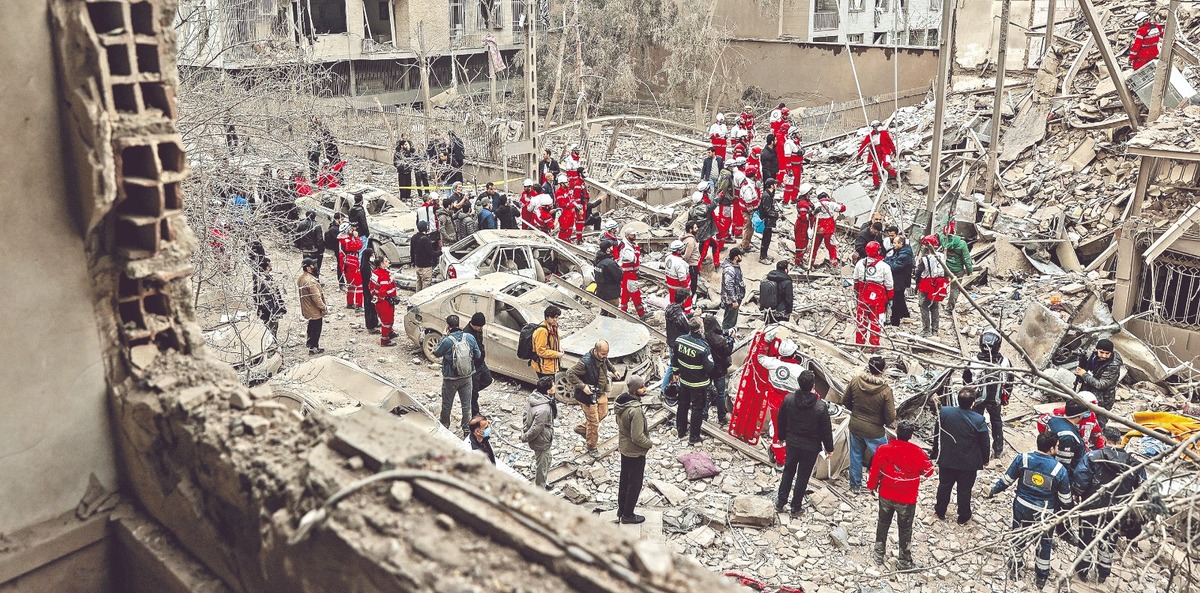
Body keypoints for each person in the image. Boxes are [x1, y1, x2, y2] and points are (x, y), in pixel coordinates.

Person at [988, 431, 1073, 590]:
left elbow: (1007, 480)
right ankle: (1041, 576)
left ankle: (1015, 567)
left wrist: (994, 490)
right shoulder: (1059, 470)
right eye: (1057, 446)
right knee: (1044, 542)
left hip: (1022, 506)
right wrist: (1069, 513)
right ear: (1052, 449)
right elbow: (1065, 499)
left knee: (1018, 536)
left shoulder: (1023, 459)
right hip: (1045, 513)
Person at [1071, 424, 1147, 583]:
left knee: (1086, 538)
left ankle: (1082, 571)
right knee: (1109, 539)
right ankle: (1103, 573)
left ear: (1104, 439)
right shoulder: (1134, 464)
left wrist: (1078, 495)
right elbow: (1144, 490)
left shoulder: (1092, 457)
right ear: (1120, 441)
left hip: (1091, 506)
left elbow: (1081, 479)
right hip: (1117, 509)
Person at [868, 422, 934, 572]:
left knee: (883, 523)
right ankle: (904, 561)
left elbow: (875, 470)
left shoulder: (883, 449)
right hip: (907, 498)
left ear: (896, 432)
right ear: (911, 436)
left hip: (886, 493)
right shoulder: (917, 452)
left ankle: (878, 554)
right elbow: (929, 472)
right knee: (905, 529)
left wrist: (872, 486)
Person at [829, 356, 895, 492]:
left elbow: (845, 400)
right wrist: (881, 421)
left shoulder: (855, 381)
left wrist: (856, 413)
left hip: (856, 425)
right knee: (883, 458)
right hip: (875, 431)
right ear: (883, 370)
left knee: (856, 455)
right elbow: (890, 417)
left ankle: (855, 485)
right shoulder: (885, 390)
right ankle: (883, 485)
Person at [775, 370, 835, 516]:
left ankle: (781, 501)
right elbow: (826, 430)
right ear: (813, 385)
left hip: (792, 443)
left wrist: (781, 436)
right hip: (811, 447)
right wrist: (829, 448)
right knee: (803, 476)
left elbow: (781, 420)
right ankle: (796, 507)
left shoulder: (789, 399)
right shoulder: (820, 407)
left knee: (788, 471)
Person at [932, 387, 990, 524]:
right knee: (964, 490)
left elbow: (937, 433)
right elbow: (985, 442)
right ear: (973, 402)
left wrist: (935, 451)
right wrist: (985, 459)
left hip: (947, 458)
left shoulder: (945, 412)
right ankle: (963, 515)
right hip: (968, 463)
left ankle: (940, 511)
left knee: (944, 486)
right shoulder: (979, 419)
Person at [963, 331, 1012, 458]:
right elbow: (1010, 382)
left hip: (977, 398)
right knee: (997, 422)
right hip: (996, 399)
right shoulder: (1005, 362)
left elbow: (966, 379)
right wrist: (1006, 398)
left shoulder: (973, 361)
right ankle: (998, 450)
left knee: (975, 423)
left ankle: (973, 447)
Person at [432, 315, 482, 435]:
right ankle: (466, 430)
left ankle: (444, 427)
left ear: (448, 326)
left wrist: (444, 335)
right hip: (466, 377)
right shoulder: (469, 337)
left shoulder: (447, 340)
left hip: (450, 378)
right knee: (466, 406)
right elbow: (478, 355)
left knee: (447, 405)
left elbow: (437, 353)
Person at [567, 340, 617, 455]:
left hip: (600, 392)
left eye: (606, 354)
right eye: (603, 354)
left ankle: (582, 428)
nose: (605, 356)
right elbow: (570, 373)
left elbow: (606, 361)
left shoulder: (602, 357)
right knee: (594, 423)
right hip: (588, 397)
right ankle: (591, 446)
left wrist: (613, 370)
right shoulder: (585, 363)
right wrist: (583, 386)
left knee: (603, 413)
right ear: (596, 351)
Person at [615, 375, 652, 524]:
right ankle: (628, 515)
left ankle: (621, 509)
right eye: (642, 387)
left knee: (624, 480)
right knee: (634, 484)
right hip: (635, 451)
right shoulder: (635, 410)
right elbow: (637, 437)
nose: (645, 389)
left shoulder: (621, 402)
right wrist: (649, 444)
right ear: (635, 390)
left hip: (624, 447)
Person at [671, 319, 714, 445]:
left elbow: (675, 358)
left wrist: (675, 372)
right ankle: (694, 436)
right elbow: (709, 367)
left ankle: (681, 430)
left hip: (684, 380)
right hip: (699, 384)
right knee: (697, 408)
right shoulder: (703, 347)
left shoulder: (680, 340)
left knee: (682, 405)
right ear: (700, 329)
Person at [853, 241, 894, 348]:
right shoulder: (884, 266)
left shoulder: (860, 263)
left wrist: (857, 295)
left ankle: (859, 344)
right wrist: (890, 298)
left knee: (861, 321)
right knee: (876, 323)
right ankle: (874, 346)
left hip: (863, 297)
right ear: (878, 250)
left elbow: (855, 281)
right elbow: (889, 285)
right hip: (879, 299)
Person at [1075, 338, 1123, 423]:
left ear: (1111, 353)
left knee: (1098, 423)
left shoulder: (1113, 365)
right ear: (1097, 350)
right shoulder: (1093, 356)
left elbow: (1101, 384)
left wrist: (1084, 374)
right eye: (1101, 352)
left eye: (1107, 353)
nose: (1104, 356)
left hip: (1103, 399)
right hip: (1088, 393)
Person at [522, 376, 558, 489]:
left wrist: (524, 428)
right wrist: (525, 437)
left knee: (547, 460)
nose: (555, 386)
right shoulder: (544, 409)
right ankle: (540, 489)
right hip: (541, 441)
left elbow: (525, 414)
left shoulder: (534, 397)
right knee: (542, 465)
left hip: (542, 439)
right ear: (548, 391)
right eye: (553, 385)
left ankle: (543, 483)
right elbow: (536, 429)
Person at [703, 316, 733, 426]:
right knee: (720, 394)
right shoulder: (720, 340)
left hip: (707, 369)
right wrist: (731, 340)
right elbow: (728, 351)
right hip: (720, 370)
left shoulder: (702, 338)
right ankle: (721, 417)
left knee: (706, 393)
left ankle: (704, 416)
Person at [915, 235, 947, 336]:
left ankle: (926, 330)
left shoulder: (925, 259)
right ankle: (935, 330)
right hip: (938, 284)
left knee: (924, 306)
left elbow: (918, 273)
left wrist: (916, 285)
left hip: (926, 284)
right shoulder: (942, 256)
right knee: (935, 307)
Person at [1047, 399, 1088, 477]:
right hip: (1068, 474)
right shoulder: (1068, 436)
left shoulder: (1054, 420)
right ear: (1080, 416)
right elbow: (1063, 464)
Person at [297, 258, 327, 355]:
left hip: (306, 308)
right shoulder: (311, 281)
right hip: (314, 310)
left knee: (311, 327)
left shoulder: (301, 278)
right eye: (312, 265)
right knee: (316, 328)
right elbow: (316, 298)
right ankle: (314, 347)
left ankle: (309, 343)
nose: (314, 267)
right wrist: (324, 307)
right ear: (308, 268)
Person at [857, 120, 898, 189]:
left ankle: (895, 175)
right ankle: (876, 184)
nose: (878, 128)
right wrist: (859, 155)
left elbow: (890, 142)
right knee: (874, 169)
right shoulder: (870, 136)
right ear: (873, 127)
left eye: (879, 126)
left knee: (886, 164)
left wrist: (894, 150)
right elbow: (863, 146)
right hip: (876, 153)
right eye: (876, 126)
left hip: (885, 151)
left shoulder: (884, 133)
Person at [884, 234, 914, 327]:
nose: (893, 245)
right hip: (900, 279)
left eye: (895, 243)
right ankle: (904, 314)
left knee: (896, 300)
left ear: (901, 243)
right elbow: (891, 259)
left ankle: (895, 321)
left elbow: (894, 266)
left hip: (900, 280)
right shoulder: (900, 251)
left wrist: (886, 262)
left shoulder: (905, 255)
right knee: (900, 298)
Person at [369, 254, 397, 346]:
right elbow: (383, 290)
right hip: (385, 301)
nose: (388, 262)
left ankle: (390, 332)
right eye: (386, 261)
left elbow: (371, 286)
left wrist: (375, 296)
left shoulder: (375, 272)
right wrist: (391, 280)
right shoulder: (384, 276)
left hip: (379, 301)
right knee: (387, 320)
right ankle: (385, 340)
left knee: (383, 318)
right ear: (381, 264)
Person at [618, 228, 647, 318]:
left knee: (625, 295)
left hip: (628, 273)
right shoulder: (626, 247)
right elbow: (632, 259)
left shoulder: (628, 244)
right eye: (632, 235)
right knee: (635, 294)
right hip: (629, 273)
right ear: (627, 235)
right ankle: (641, 313)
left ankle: (624, 312)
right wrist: (637, 251)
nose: (634, 236)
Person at [252, 257, 286, 338]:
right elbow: (266, 298)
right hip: (268, 311)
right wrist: (273, 311)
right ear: (266, 267)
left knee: (272, 328)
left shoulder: (262, 278)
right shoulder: (263, 281)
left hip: (268, 310)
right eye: (269, 264)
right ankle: (271, 347)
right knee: (271, 329)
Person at [941, 229, 973, 311]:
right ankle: (950, 307)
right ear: (954, 232)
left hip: (945, 267)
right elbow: (966, 258)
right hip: (957, 270)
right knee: (954, 289)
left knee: (941, 285)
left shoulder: (943, 240)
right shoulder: (961, 244)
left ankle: (936, 302)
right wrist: (970, 270)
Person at [466, 312, 491, 417]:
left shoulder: (478, 330)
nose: (481, 329)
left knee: (488, 380)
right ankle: (475, 413)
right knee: (474, 394)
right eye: (480, 327)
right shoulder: (467, 334)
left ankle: (469, 392)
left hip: (481, 363)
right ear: (474, 324)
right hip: (474, 367)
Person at [530, 306, 563, 381]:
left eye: (556, 317)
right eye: (552, 317)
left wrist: (558, 348)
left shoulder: (553, 327)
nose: (555, 319)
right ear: (546, 317)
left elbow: (552, 342)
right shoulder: (542, 331)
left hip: (550, 366)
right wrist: (557, 354)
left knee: (551, 389)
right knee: (548, 389)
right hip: (544, 367)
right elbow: (541, 351)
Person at [813, 191, 845, 268]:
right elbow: (843, 208)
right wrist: (839, 203)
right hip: (829, 230)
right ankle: (833, 265)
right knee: (831, 248)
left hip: (818, 229)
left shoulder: (815, 205)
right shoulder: (832, 204)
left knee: (815, 246)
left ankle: (811, 262)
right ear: (827, 197)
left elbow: (811, 214)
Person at [338, 224, 364, 310]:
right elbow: (359, 246)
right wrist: (357, 238)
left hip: (349, 264)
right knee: (359, 284)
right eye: (351, 228)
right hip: (351, 264)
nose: (353, 230)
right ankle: (358, 305)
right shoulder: (346, 240)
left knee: (351, 285)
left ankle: (350, 303)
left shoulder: (344, 238)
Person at [720, 248, 746, 330]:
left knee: (732, 317)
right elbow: (728, 285)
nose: (741, 257)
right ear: (736, 257)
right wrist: (734, 300)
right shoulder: (730, 270)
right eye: (740, 255)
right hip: (731, 299)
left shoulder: (734, 266)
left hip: (736, 296)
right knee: (729, 320)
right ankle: (726, 335)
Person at [665, 240, 693, 314]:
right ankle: (687, 315)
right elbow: (682, 278)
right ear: (678, 251)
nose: (684, 250)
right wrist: (687, 289)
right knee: (686, 303)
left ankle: (673, 314)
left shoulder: (668, 258)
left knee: (673, 301)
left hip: (671, 286)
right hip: (679, 288)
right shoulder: (680, 263)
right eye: (682, 248)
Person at [294, 211, 325, 276]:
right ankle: (315, 280)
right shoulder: (317, 225)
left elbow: (297, 236)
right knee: (315, 266)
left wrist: (299, 246)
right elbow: (319, 239)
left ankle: (307, 280)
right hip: (314, 250)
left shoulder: (301, 224)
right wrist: (321, 250)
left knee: (306, 265)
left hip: (305, 249)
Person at [736, 175, 761, 252]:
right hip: (748, 211)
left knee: (748, 228)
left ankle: (745, 243)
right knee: (749, 228)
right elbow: (748, 201)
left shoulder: (747, 185)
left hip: (747, 210)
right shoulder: (747, 187)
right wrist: (751, 213)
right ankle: (745, 246)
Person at [412, 220, 438, 293]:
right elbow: (431, 253)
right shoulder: (426, 239)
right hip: (426, 265)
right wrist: (440, 252)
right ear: (425, 228)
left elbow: (412, 251)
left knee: (418, 282)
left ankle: (417, 298)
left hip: (418, 264)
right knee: (426, 282)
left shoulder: (413, 237)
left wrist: (413, 262)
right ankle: (423, 300)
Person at [757, 178, 779, 262]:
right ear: (771, 185)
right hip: (766, 221)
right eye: (775, 184)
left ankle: (765, 255)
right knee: (766, 239)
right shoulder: (767, 196)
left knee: (768, 238)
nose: (776, 185)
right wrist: (776, 214)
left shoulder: (769, 194)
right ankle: (762, 257)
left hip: (769, 220)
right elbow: (767, 210)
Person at [792, 184, 815, 267]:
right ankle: (797, 264)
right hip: (802, 226)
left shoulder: (806, 201)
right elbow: (804, 217)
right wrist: (813, 213)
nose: (811, 193)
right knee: (801, 245)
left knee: (804, 244)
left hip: (805, 226)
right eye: (810, 192)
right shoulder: (803, 203)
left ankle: (800, 260)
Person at [594, 246, 623, 311]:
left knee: (604, 312)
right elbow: (619, 277)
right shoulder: (610, 263)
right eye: (610, 247)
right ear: (607, 249)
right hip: (611, 293)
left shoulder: (598, 260)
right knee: (612, 313)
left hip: (601, 292)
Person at [324, 212, 346, 289]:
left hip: (341, 249)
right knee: (340, 266)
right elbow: (340, 239)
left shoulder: (337, 227)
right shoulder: (334, 229)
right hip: (338, 250)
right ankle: (341, 283)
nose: (343, 221)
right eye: (342, 219)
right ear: (337, 219)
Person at [359, 246, 379, 334]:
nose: (373, 256)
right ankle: (371, 326)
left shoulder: (371, 264)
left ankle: (375, 322)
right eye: (372, 255)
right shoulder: (365, 267)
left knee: (374, 307)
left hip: (372, 289)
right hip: (368, 290)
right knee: (370, 308)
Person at [681, 221, 701, 297]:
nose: (697, 229)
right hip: (692, 265)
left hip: (691, 264)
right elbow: (687, 256)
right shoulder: (691, 241)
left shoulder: (686, 238)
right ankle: (691, 298)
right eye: (695, 228)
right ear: (690, 230)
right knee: (693, 284)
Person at [393, 137, 415, 202]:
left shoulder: (409, 152)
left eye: (407, 144)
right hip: (402, 172)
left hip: (408, 171)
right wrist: (401, 167)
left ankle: (408, 195)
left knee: (408, 184)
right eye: (405, 145)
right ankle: (403, 196)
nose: (406, 146)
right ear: (402, 146)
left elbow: (413, 158)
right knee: (402, 184)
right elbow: (395, 162)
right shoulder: (398, 153)